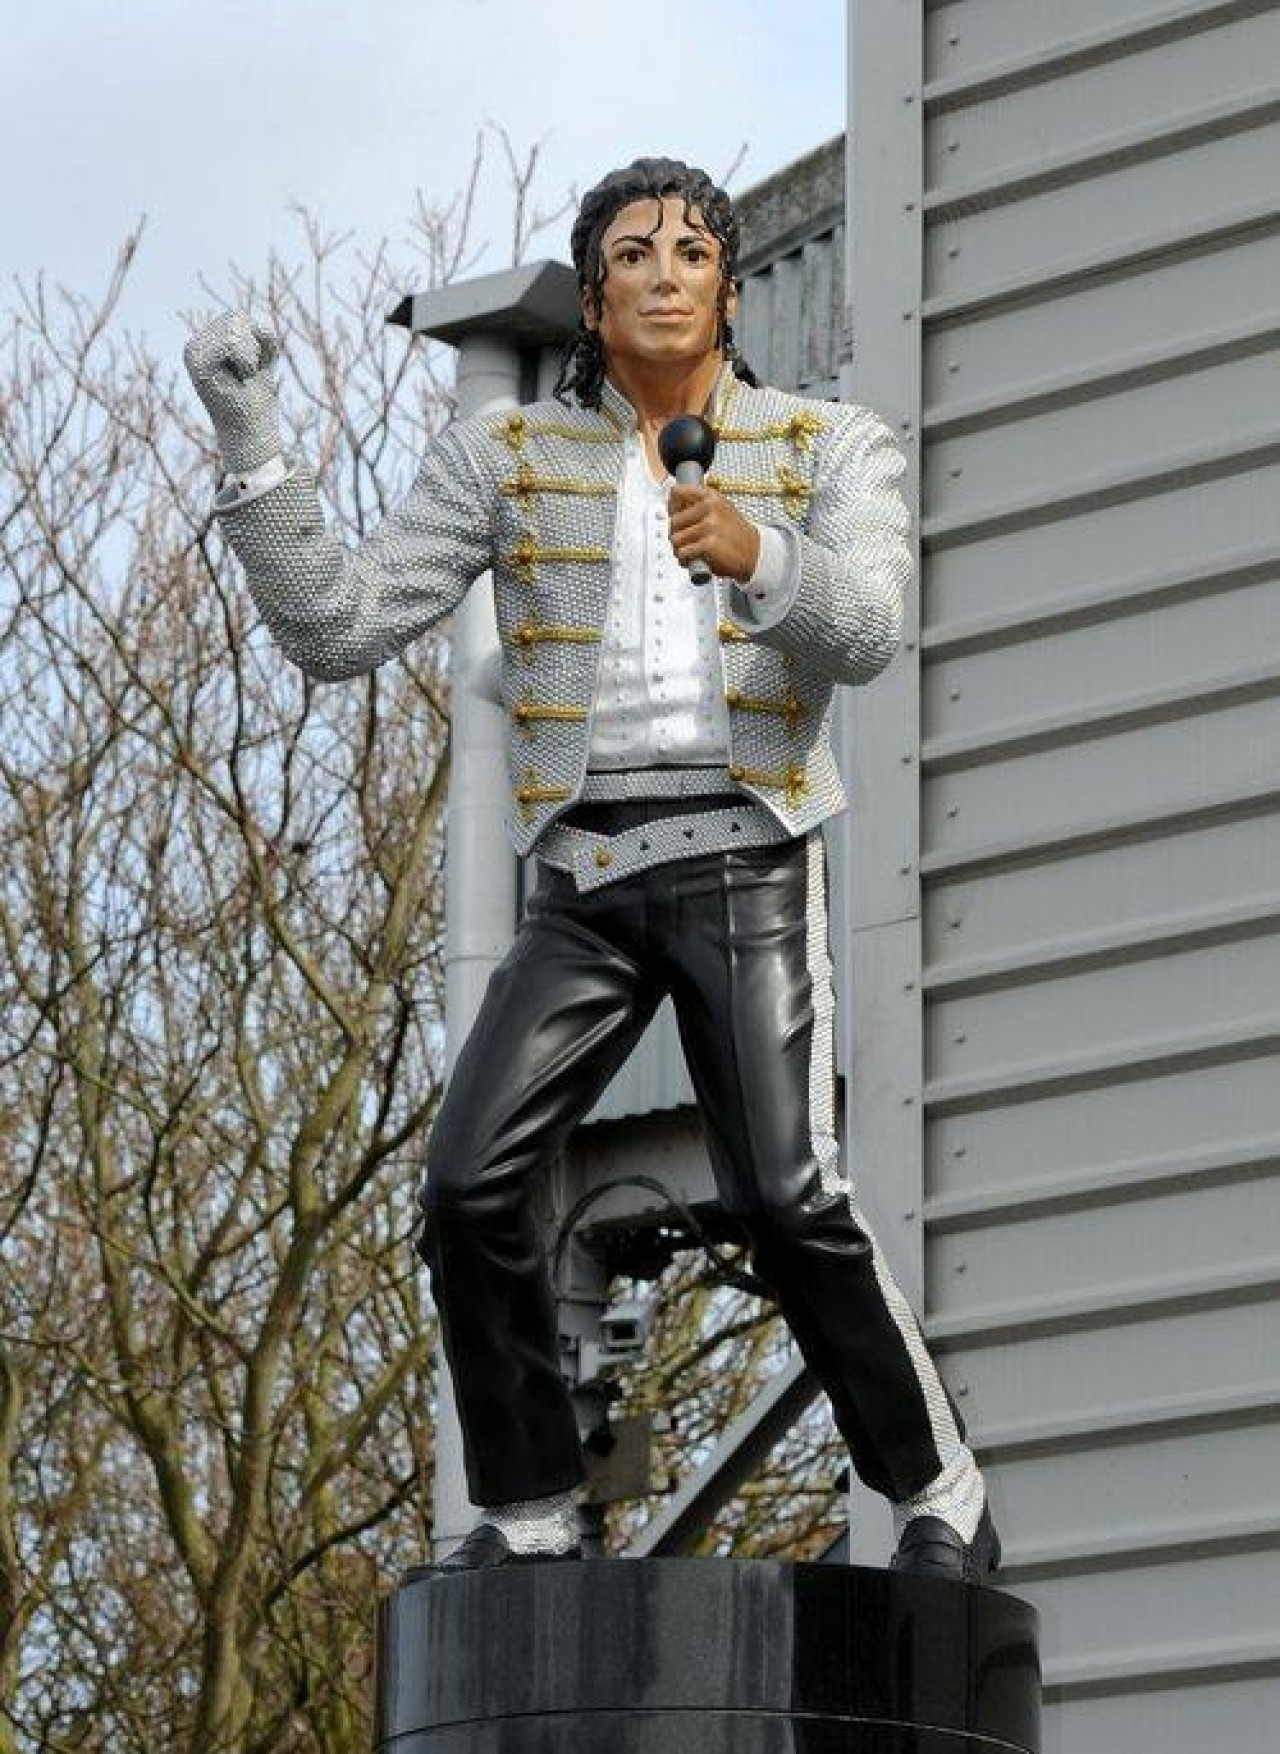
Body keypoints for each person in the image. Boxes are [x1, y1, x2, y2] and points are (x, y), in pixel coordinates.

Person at [184, 157, 999, 1583]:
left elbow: (868, 626)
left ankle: (938, 1488)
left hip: (748, 853)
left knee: (787, 1190)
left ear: (732, 291)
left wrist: (760, 552)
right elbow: (340, 624)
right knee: (468, 1183)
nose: (667, 270)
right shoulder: (507, 459)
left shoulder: (823, 443)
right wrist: (252, 440)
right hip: (585, 875)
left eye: (694, 249)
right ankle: (532, 1508)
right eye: (634, 252)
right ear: (597, 295)